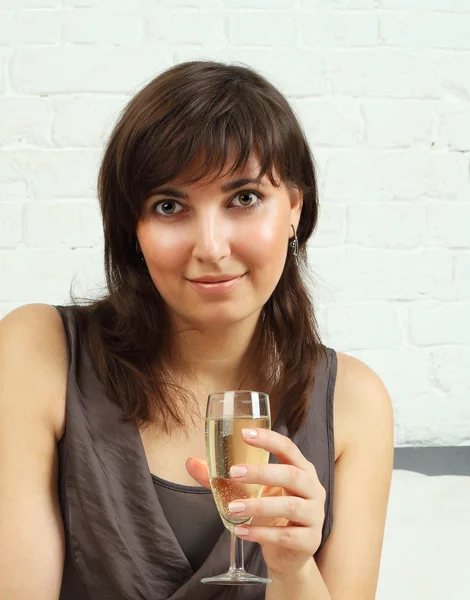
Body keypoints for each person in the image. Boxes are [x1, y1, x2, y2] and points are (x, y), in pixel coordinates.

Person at [0, 61, 394, 600]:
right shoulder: (38, 351)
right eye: (170, 206)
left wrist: (294, 570)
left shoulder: (354, 402)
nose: (210, 247)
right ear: (132, 231)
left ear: (295, 209)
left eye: (245, 198)